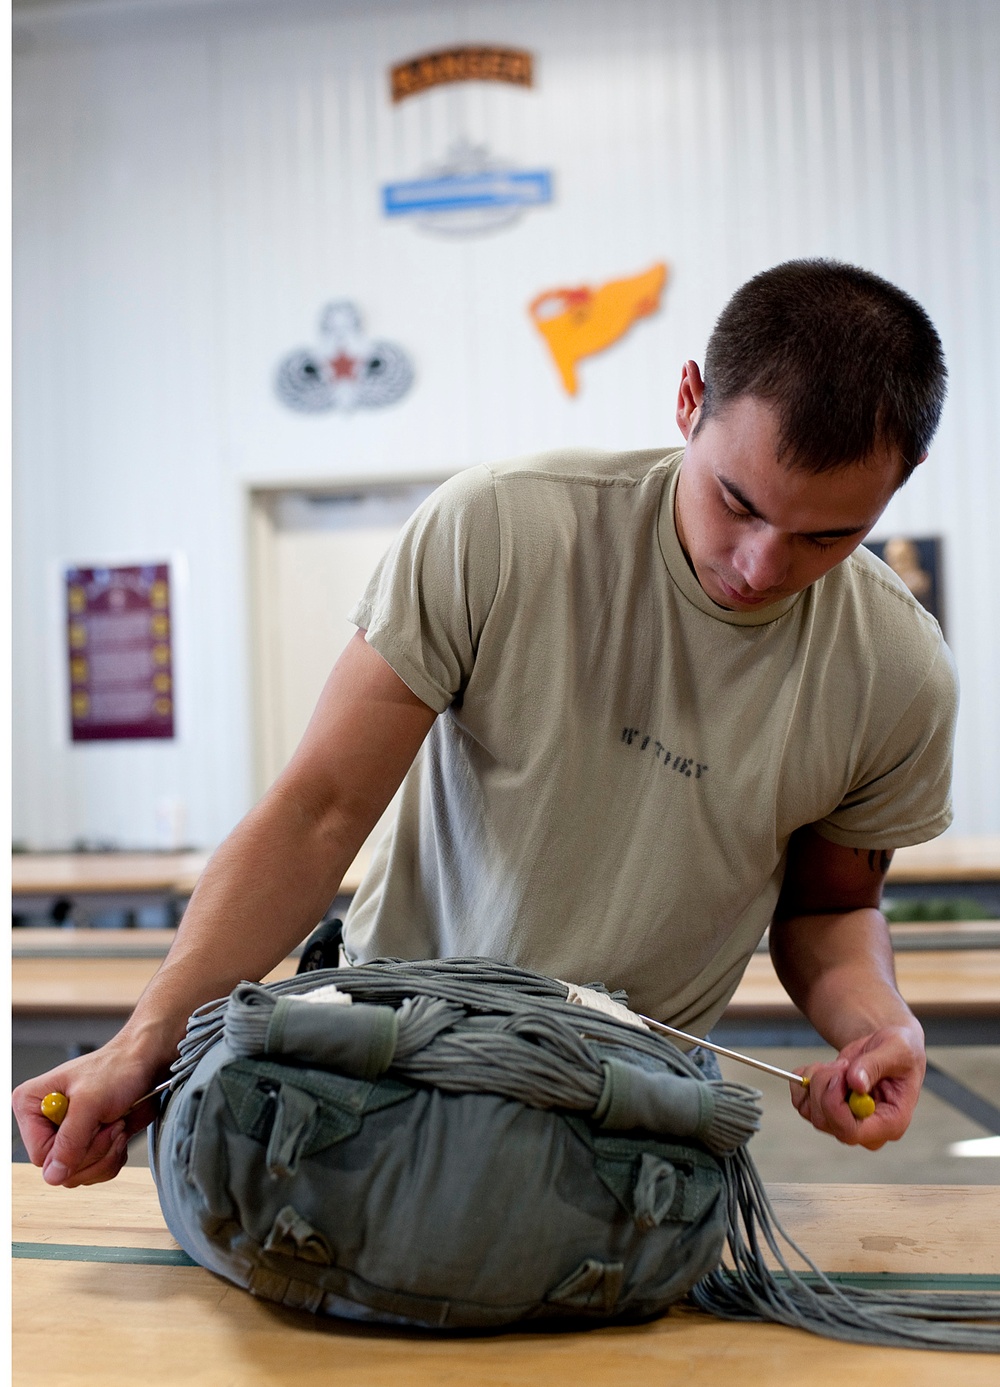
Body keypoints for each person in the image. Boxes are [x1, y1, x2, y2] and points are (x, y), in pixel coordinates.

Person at [13, 259, 956, 1188]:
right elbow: (317, 813)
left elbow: (831, 908)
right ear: (687, 400)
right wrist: (143, 1045)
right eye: (736, 502)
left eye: (825, 537)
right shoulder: (503, 531)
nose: (758, 565)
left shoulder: (896, 670)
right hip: (387, 1065)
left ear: (901, 479)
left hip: (627, 1121)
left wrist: (878, 1026)